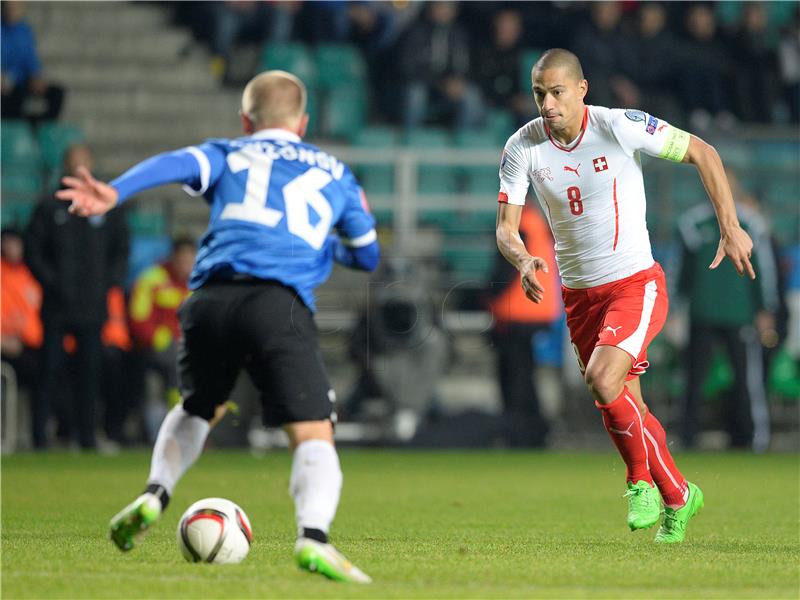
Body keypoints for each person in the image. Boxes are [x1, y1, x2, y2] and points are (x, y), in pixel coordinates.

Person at [57, 71, 378, 583]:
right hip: (277, 303)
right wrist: (323, 242)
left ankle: (154, 492)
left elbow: (176, 162)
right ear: (304, 122)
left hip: (208, 300)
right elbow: (368, 255)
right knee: (313, 429)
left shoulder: (229, 151)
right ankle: (313, 538)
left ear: (247, 120)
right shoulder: (336, 172)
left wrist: (114, 193)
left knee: (198, 406)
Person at [495, 49, 755, 543]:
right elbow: (506, 230)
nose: (547, 104)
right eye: (539, 94)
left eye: (557, 92)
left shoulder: (618, 126)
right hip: (579, 298)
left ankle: (639, 482)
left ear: (582, 89)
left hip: (635, 283)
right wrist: (524, 258)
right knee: (625, 404)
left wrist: (730, 224)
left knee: (602, 378)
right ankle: (680, 495)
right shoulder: (521, 147)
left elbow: (704, 151)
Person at [25, 143, 129, 450]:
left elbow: (121, 249)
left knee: (90, 373)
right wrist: (52, 282)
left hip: (93, 305)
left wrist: (107, 283)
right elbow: (34, 251)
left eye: (83, 161)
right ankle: (40, 437)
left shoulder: (107, 207)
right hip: (56, 305)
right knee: (48, 371)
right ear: (65, 165)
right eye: (73, 161)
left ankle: (86, 437)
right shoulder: (50, 206)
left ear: (91, 164)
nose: (78, 167)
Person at [677, 173, 779, 452]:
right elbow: (681, 273)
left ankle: (751, 438)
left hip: (739, 313)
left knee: (747, 379)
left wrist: (764, 309)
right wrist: (676, 308)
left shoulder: (751, 224)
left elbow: (764, 268)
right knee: (694, 378)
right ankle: (687, 437)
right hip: (703, 311)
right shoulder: (692, 224)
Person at [487, 204, 560, 447]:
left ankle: (520, 432)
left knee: (514, 376)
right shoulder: (535, 220)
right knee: (525, 374)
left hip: (518, 311)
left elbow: (506, 270)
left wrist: (485, 297)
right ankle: (534, 430)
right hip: (536, 309)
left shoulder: (518, 225)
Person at [128, 236, 196, 438]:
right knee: (177, 363)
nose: (185, 264)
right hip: (155, 348)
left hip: (187, 349)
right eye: (182, 259)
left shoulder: (198, 284)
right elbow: (138, 318)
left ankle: (189, 427)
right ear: (173, 257)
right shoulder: (152, 279)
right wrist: (159, 337)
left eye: (189, 259)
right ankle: (178, 428)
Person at [1, 0, 64, 122]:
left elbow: (30, 58)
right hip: (7, 83)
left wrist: (36, 75)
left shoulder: (25, 31)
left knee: (57, 93)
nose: (12, 11)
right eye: (9, 7)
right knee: (15, 94)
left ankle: (41, 128)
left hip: (22, 81)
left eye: (16, 7)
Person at [0, 227, 42, 397]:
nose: (12, 248)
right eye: (7, 242)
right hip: (5, 346)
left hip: (30, 346)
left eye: (15, 243)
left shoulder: (32, 274)